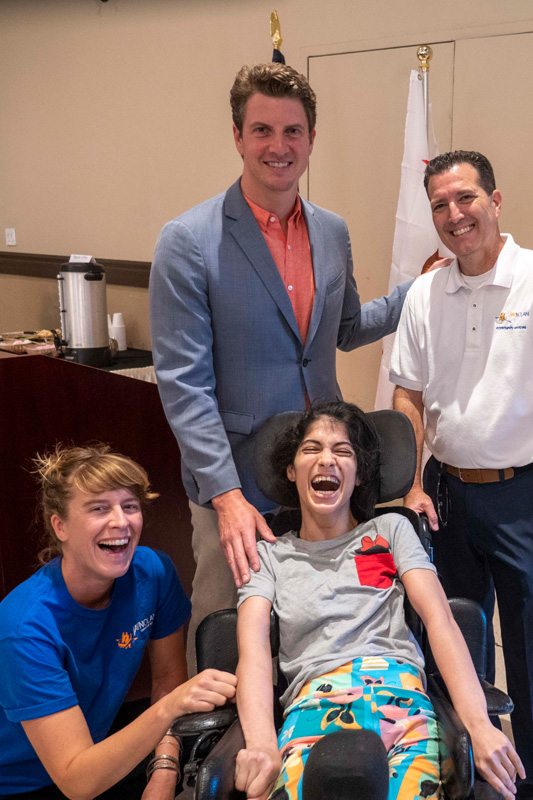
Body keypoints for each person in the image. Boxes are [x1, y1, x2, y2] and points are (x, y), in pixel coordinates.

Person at [149, 62, 413, 669]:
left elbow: (345, 329)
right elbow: (185, 386)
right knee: (227, 638)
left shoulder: (332, 231)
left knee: (317, 632)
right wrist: (225, 497)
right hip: (237, 482)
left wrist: (415, 294)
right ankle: (212, 733)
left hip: (322, 478)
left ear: (311, 139)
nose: (278, 146)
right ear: (237, 136)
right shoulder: (188, 240)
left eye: (293, 131)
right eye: (262, 130)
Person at [234, 401, 523, 800]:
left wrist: (478, 725)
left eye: (343, 451)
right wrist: (262, 744)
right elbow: (251, 654)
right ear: (291, 470)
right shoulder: (268, 555)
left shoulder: (391, 530)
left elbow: (439, 619)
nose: (327, 460)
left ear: (358, 474)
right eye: (311, 448)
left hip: (401, 698)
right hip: (313, 706)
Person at [390, 150, 533, 797]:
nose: (454, 215)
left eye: (466, 198)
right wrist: (409, 484)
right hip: (444, 496)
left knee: (526, 653)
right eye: (439, 206)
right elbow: (408, 395)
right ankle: (467, 776)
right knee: (452, 642)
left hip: (521, 495)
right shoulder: (425, 293)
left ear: (494, 201)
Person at [0, 445, 236, 800]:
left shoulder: (152, 571)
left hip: (102, 746)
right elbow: (78, 782)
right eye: (99, 508)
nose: (121, 521)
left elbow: (167, 680)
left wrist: (165, 768)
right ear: (60, 526)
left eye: (129, 506)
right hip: (27, 782)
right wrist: (173, 705)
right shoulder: (24, 628)